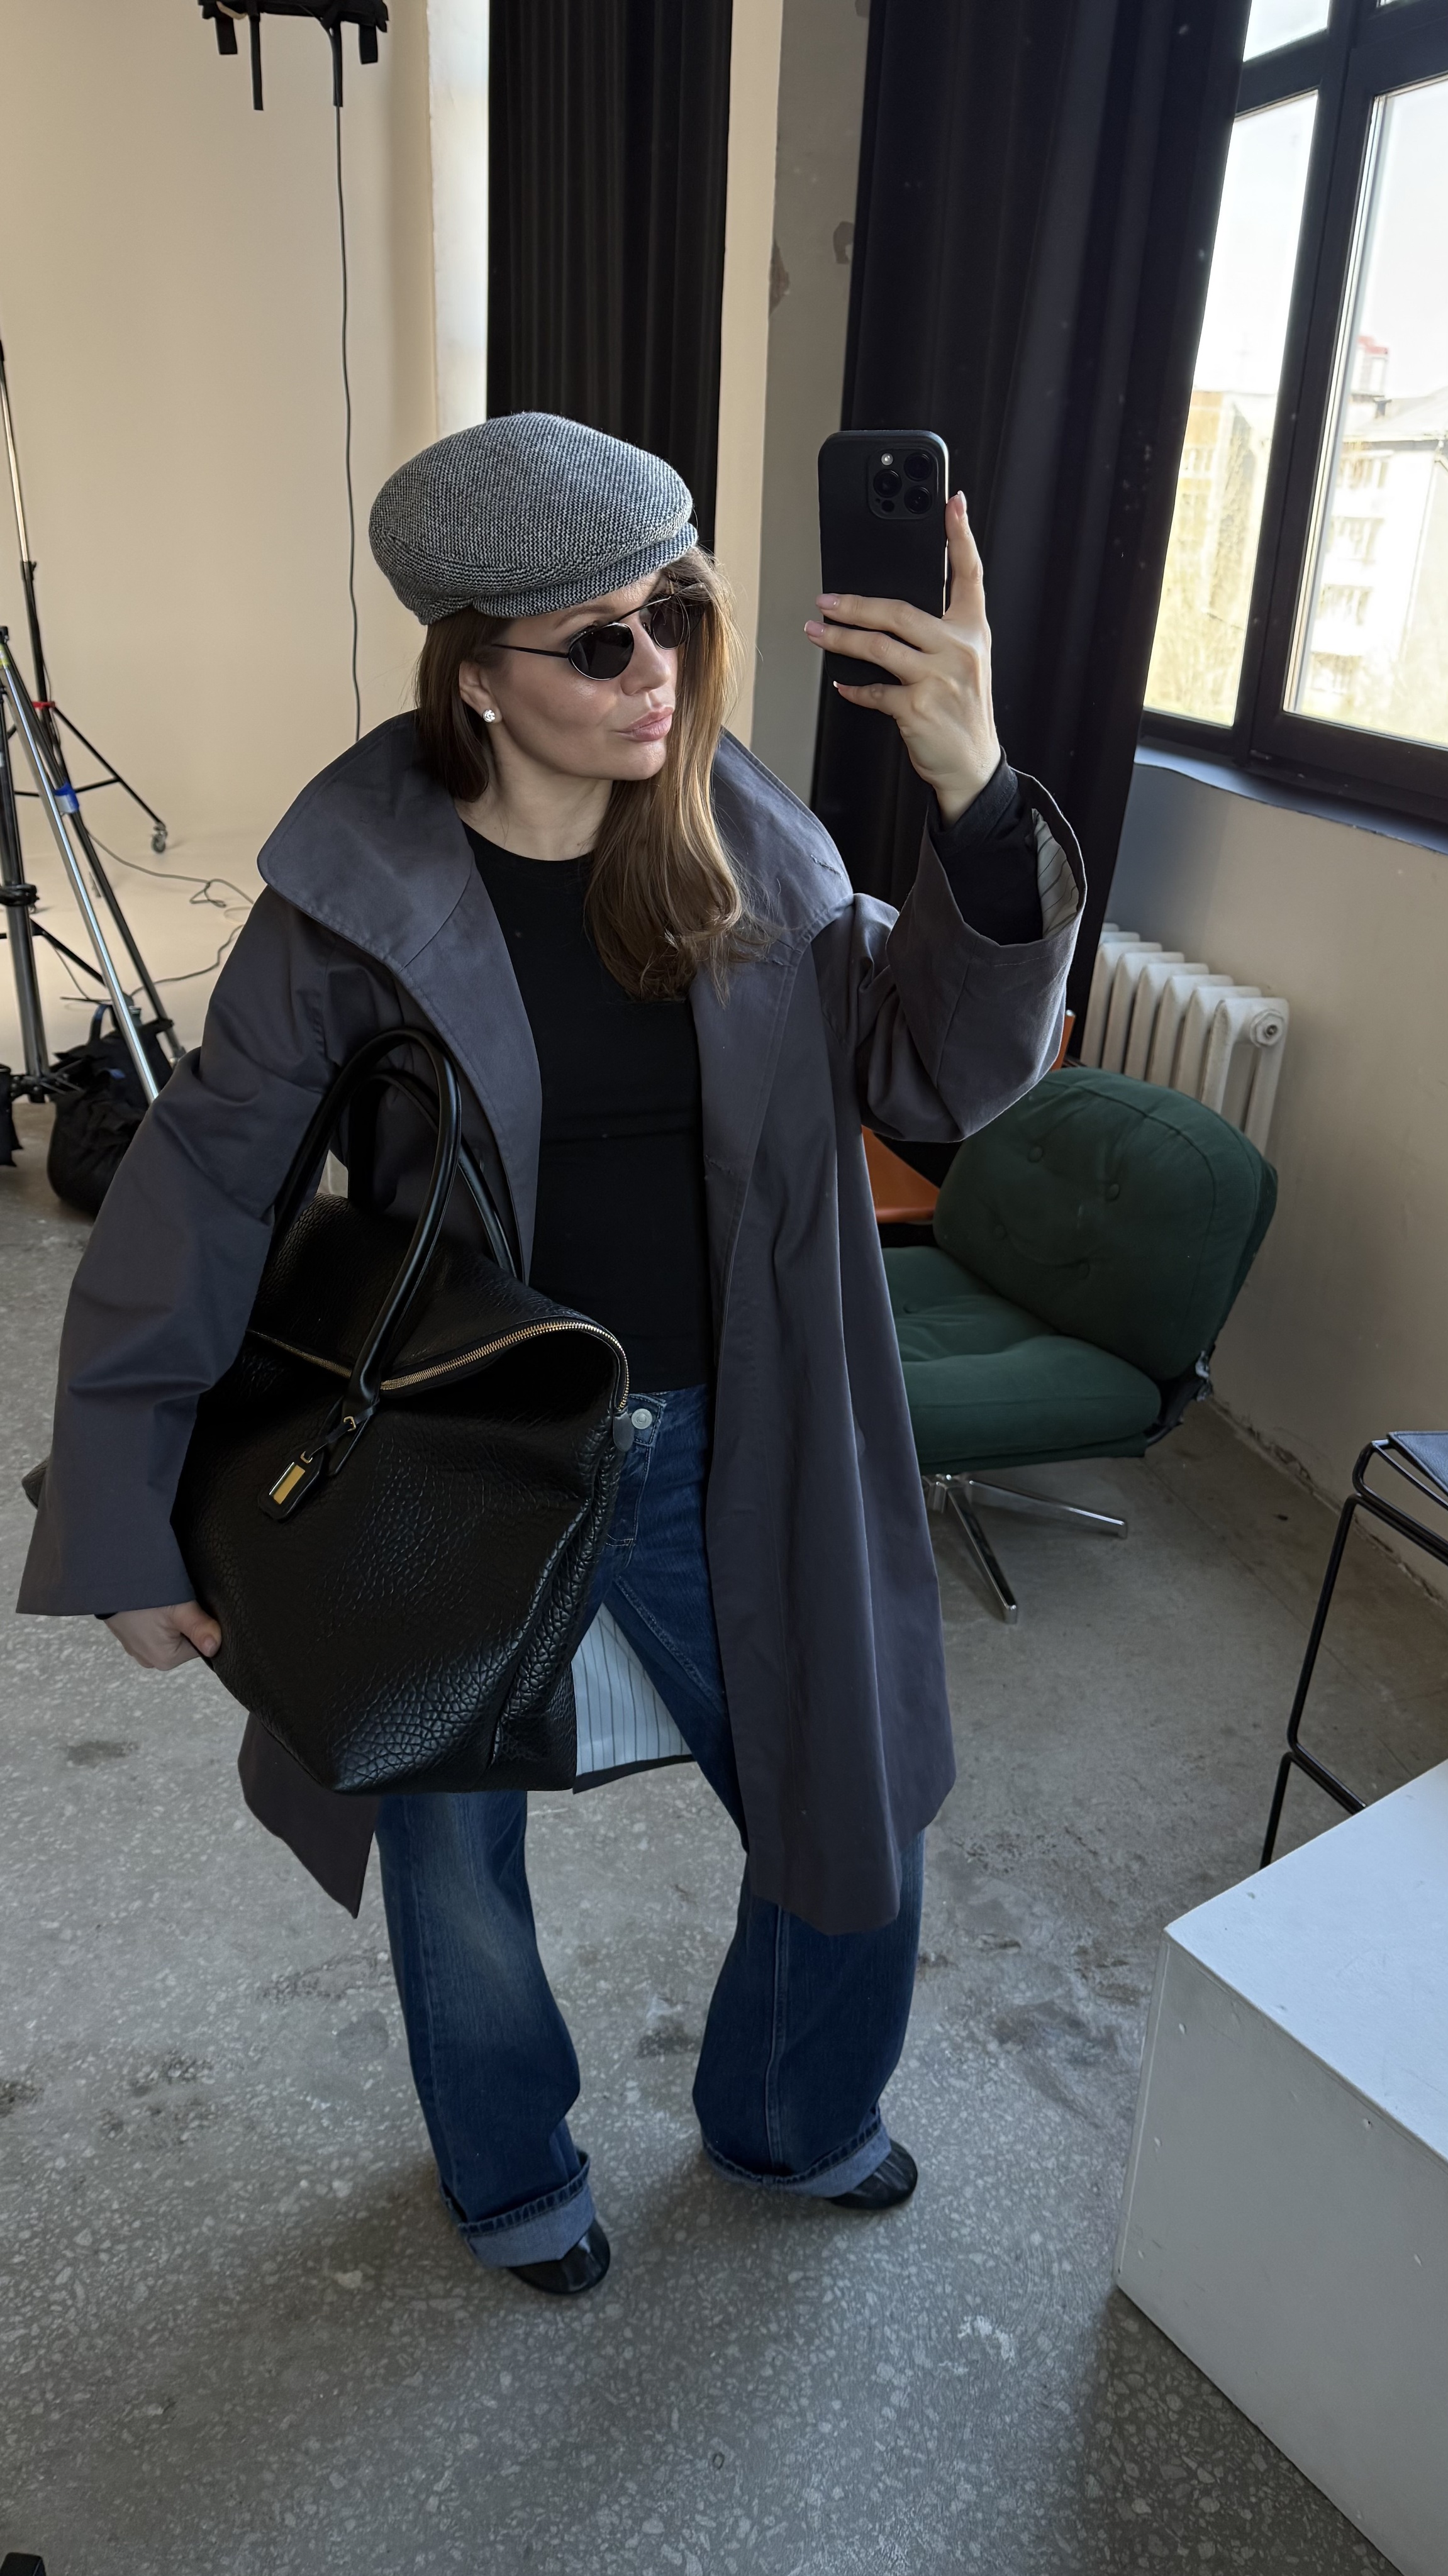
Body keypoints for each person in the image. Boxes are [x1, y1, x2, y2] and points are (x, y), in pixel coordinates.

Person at [19, 413, 1081, 2296]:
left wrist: (978, 796)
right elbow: (201, 1198)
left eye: (676, 611)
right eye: (597, 640)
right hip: (461, 1450)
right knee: (453, 1858)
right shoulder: (347, 910)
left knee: (856, 1807)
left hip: (747, 1428)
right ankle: (510, 2171)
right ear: (476, 676)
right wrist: (123, 1515)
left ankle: (791, 2115)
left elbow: (939, 1074)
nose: (656, 667)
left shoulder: (755, 853)